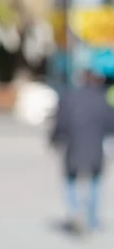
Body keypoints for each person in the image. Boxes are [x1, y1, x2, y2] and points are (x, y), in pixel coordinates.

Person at [50, 70, 114, 234]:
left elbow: (60, 121)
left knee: (71, 180)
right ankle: (92, 220)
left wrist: (55, 139)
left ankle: (76, 210)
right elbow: (110, 125)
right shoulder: (102, 100)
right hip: (95, 148)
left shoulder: (69, 97)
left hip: (74, 147)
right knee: (95, 182)